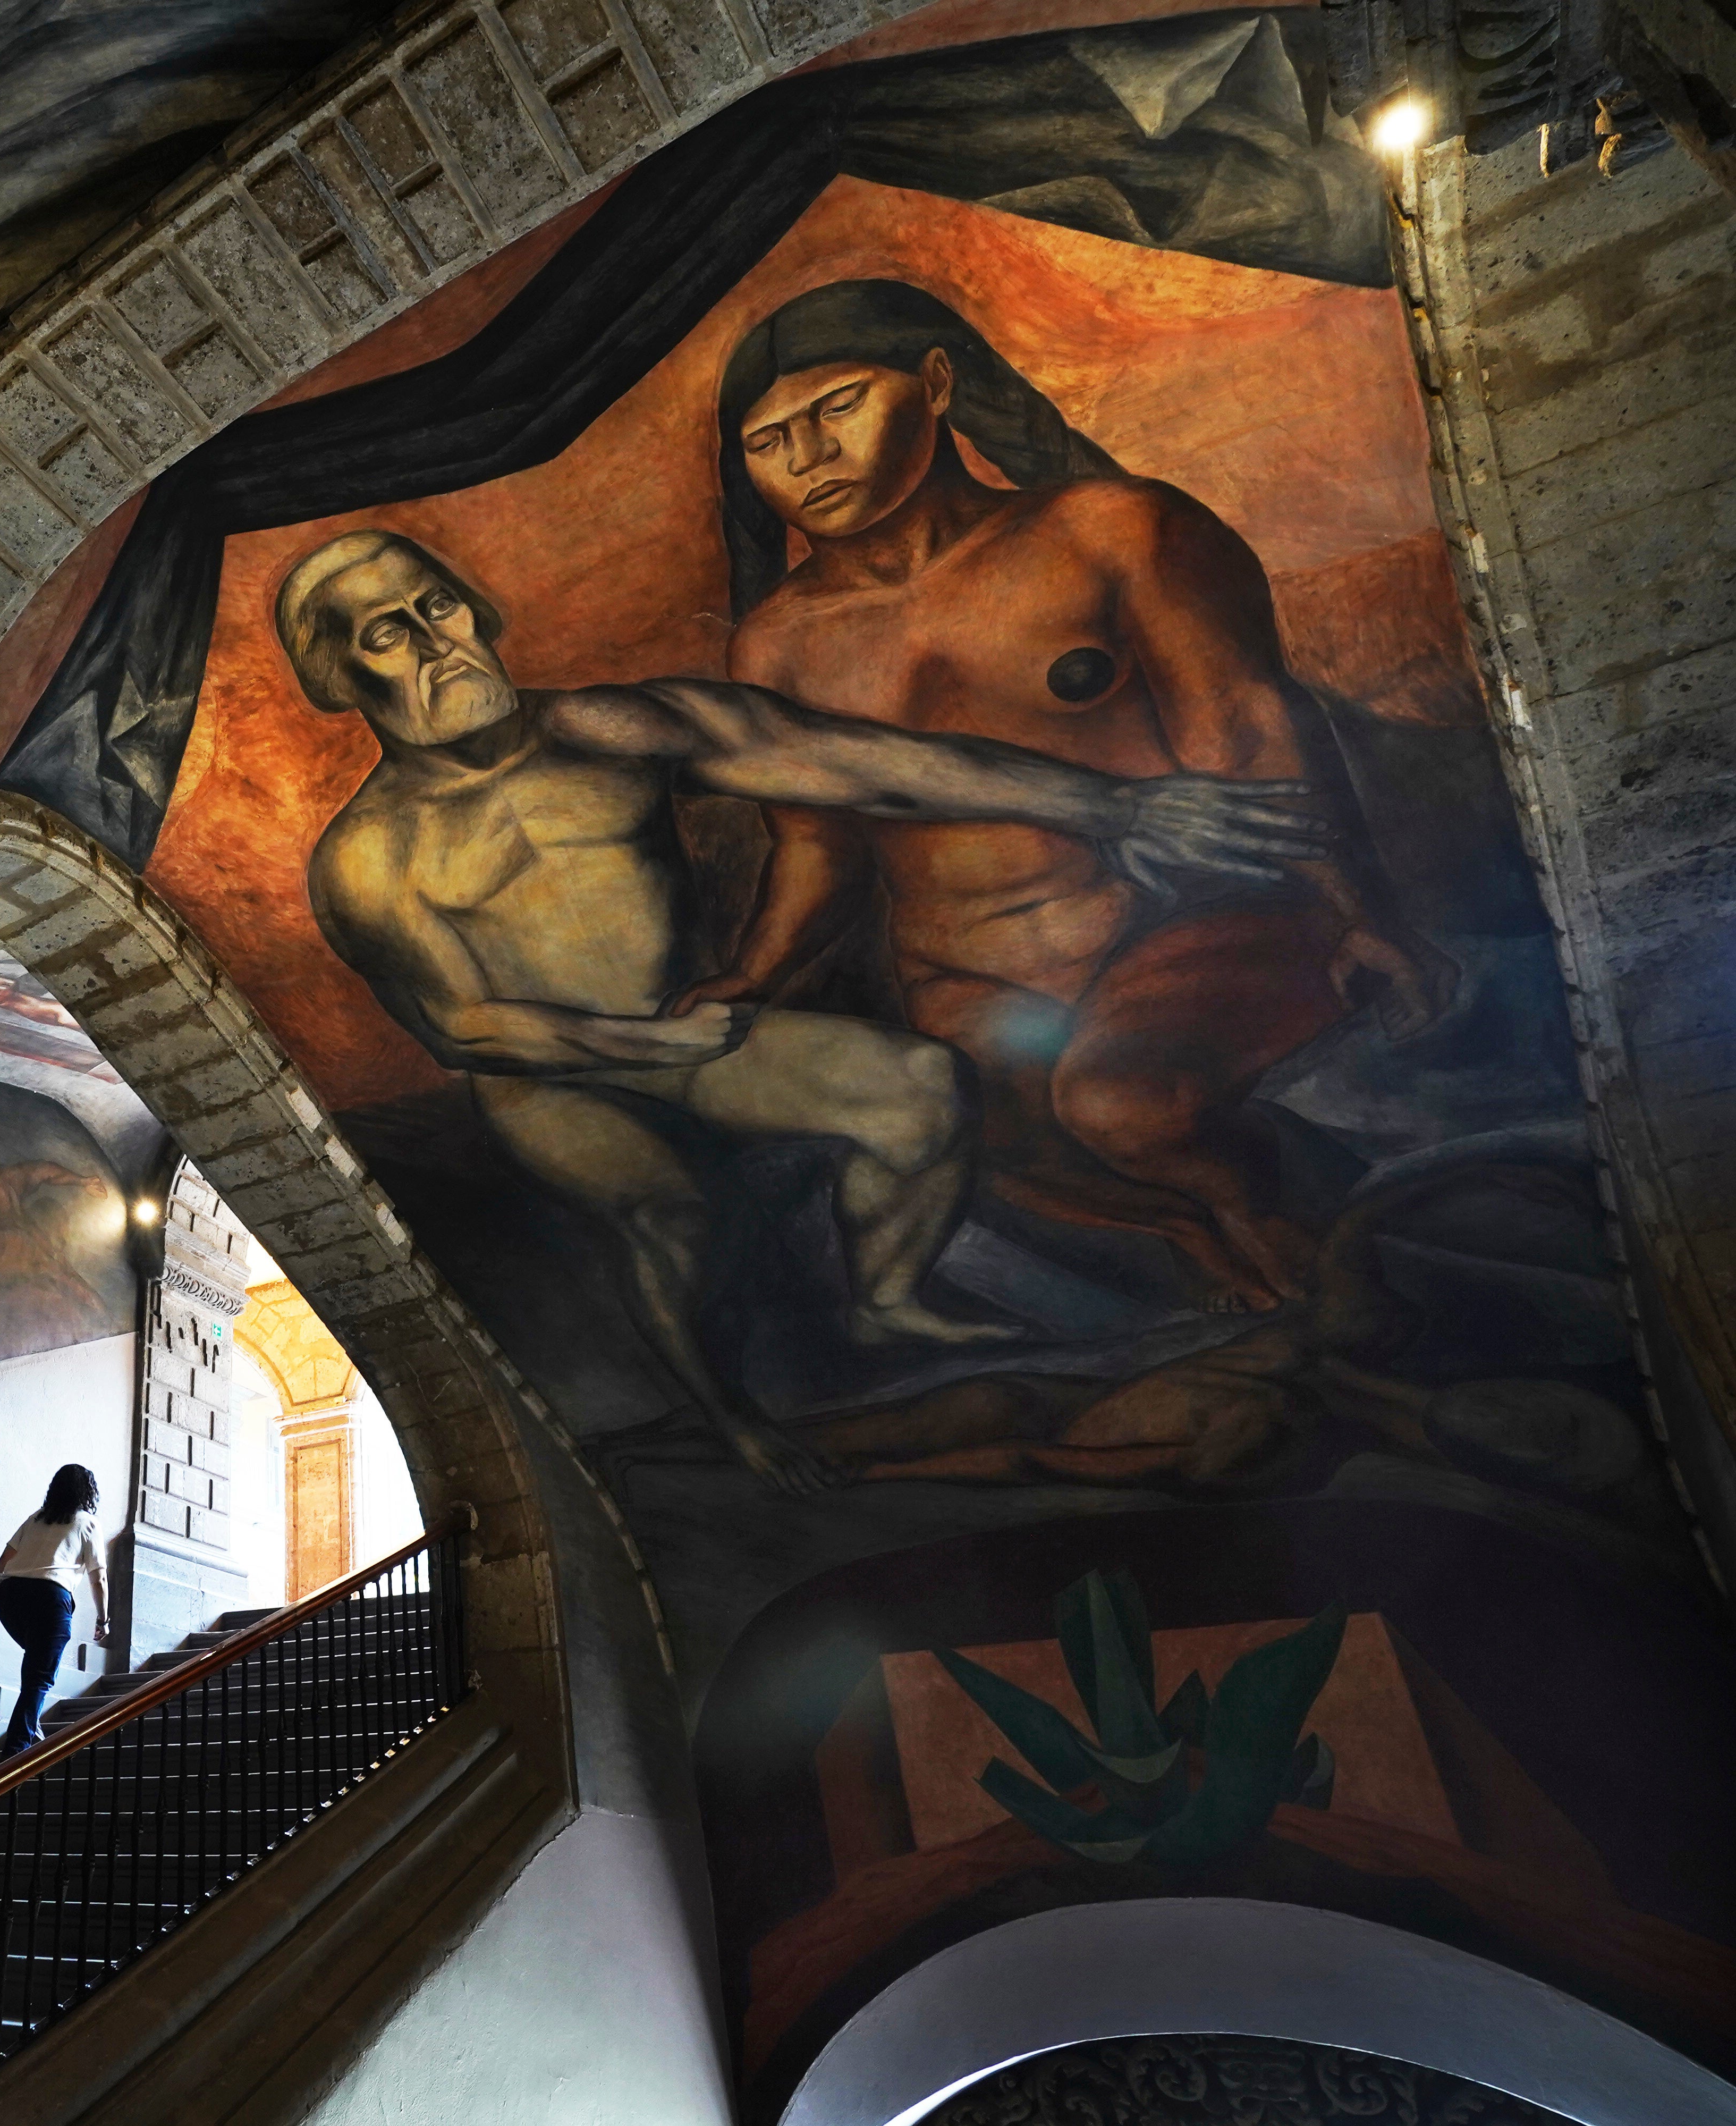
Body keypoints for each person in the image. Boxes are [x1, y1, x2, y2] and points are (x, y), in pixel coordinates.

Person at [281, 528, 1326, 1492]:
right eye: (388, 634)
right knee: (670, 1218)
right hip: (551, 1077)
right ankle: (737, 1423)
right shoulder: (371, 858)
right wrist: (640, 1043)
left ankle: (888, 1294)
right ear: (341, 675)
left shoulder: (611, 726)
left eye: (441, 610)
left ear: (477, 611)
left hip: (687, 1032)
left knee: (920, 1089)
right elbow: (462, 1027)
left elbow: (854, 763)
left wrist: (1116, 805)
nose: (436, 645)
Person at [707, 280, 1456, 1312]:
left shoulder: (1113, 530)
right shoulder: (775, 644)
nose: (806, 457)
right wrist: (745, 980)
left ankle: (1290, 1232)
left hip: (1183, 928)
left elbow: (1241, 727)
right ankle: (1225, 1254)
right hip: (965, 974)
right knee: (951, 1132)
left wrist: (1355, 907)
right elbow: (815, 843)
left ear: (934, 382)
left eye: (837, 407)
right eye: (769, 439)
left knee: (1122, 1103)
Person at [0, 1462, 110, 1745]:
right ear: (88, 1493)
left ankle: (31, 1724)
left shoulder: (36, 1519)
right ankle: (16, 1750)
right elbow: (99, 1579)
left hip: (11, 1596)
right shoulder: (88, 1523)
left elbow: (4, 1560)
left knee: (36, 1667)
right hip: (49, 1599)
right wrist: (103, 1620)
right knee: (40, 1676)